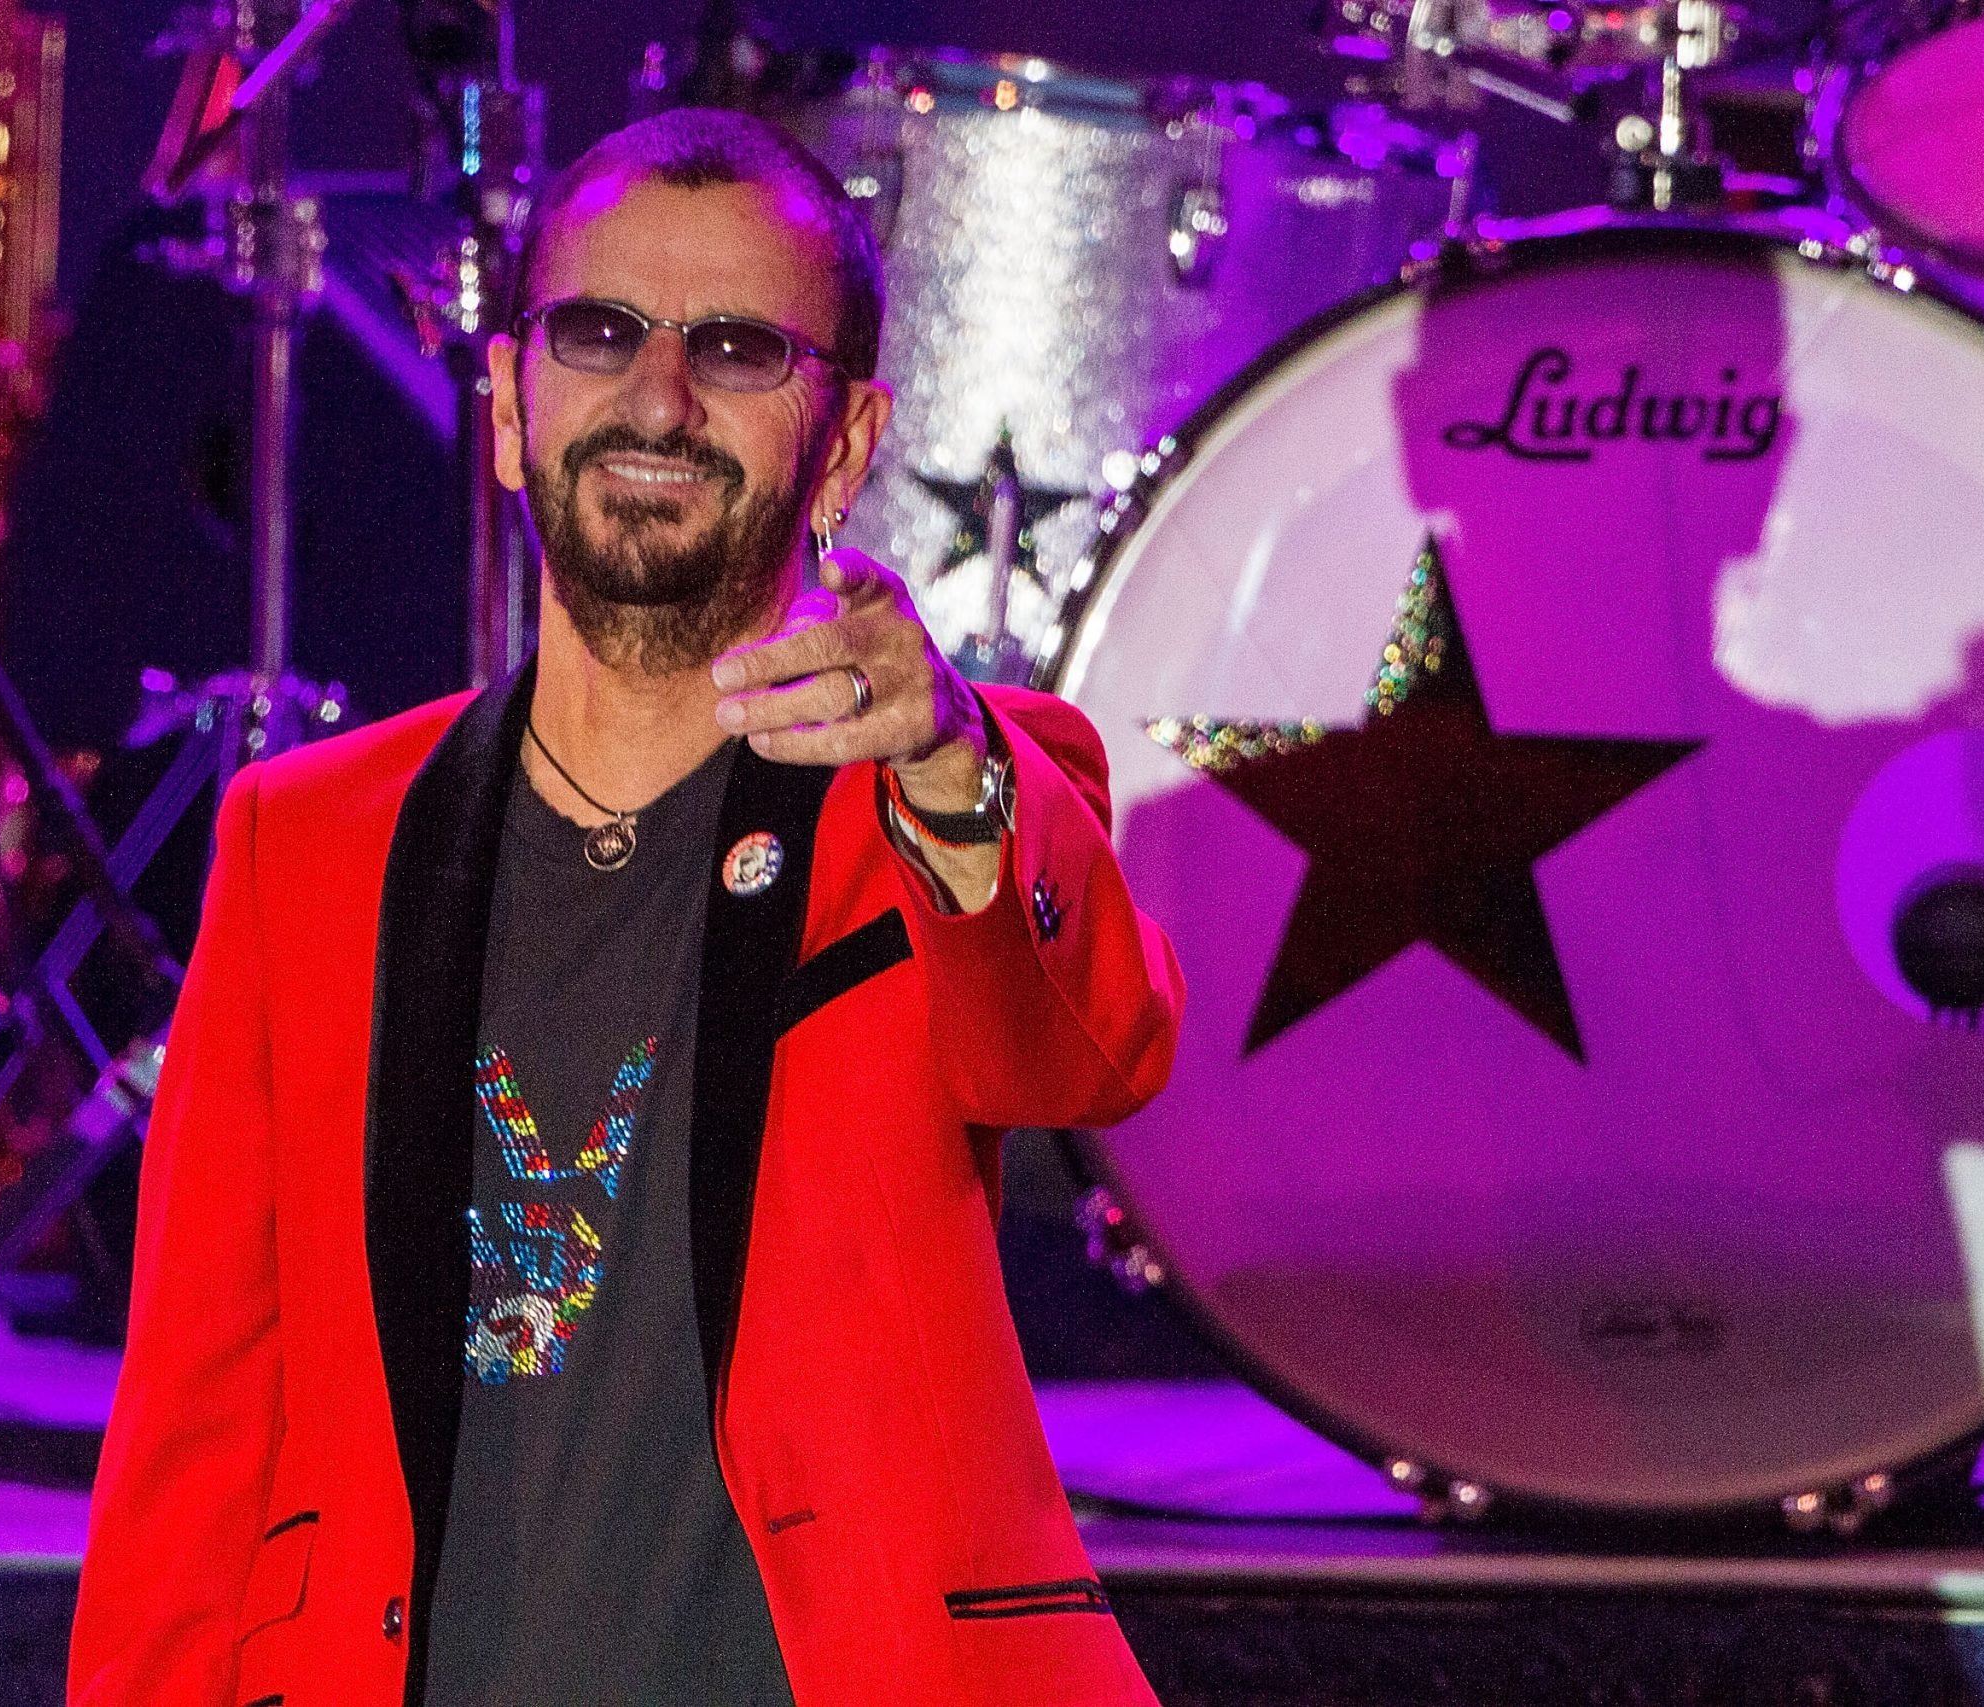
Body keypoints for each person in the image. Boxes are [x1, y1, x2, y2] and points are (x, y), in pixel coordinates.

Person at [67, 107, 1185, 1707]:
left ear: (848, 443)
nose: (656, 398)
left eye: (737, 348)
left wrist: (950, 764)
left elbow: (1089, 1055)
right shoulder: (303, 844)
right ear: (513, 404)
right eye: (599, 332)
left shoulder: (948, 787)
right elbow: (194, 1442)